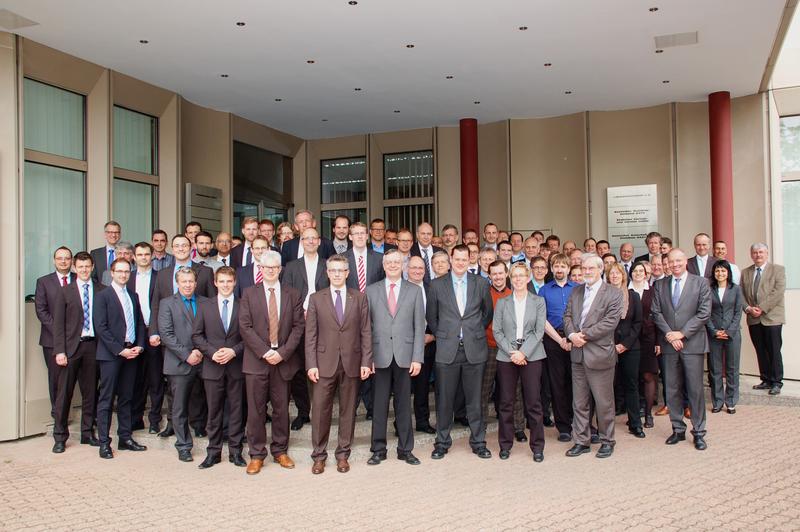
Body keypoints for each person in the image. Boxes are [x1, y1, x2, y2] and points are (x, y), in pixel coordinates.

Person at [305, 255, 373, 474]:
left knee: (348, 411)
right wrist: (311, 364)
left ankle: (343, 454)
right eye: (332, 270)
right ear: (327, 273)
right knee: (320, 411)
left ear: (347, 273)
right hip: (323, 363)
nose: (336, 274)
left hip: (352, 362)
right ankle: (319, 455)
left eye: (340, 270)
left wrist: (366, 360)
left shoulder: (359, 298)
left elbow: (366, 332)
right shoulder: (316, 298)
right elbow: (311, 335)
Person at [239, 251, 305, 474]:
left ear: (280, 269)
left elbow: (298, 327)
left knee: (281, 408)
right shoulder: (248, 294)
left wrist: (283, 353)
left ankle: (280, 450)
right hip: (257, 361)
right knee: (256, 410)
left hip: (283, 360)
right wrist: (265, 351)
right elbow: (245, 327)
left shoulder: (293, 294)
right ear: (260, 269)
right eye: (266, 267)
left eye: (274, 267)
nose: (270, 270)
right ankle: (256, 454)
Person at [427, 245, 494, 460]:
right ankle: (442, 442)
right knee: (444, 400)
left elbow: (487, 314)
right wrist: (445, 335)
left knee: (475, 400)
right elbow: (432, 317)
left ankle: (478, 442)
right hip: (447, 350)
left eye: (465, 259)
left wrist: (472, 332)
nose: (460, 262)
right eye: (457, 259)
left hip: (474, 349)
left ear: (469, 260)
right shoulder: (437, 285)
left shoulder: (481, 283)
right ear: (450, 259)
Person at [366, 249, 426, 466]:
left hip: (405, 356)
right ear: (383, 265)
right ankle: (378, 450)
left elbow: (420, 327)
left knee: (403, 405)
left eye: (396, 262)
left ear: (403, 265)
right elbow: (366, 328)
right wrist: (367, 358)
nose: (392, 265)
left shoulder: (414, 291)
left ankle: (405, 449)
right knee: (379, 405)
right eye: (389, 262)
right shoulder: (371, 291)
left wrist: (417, 358)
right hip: (379, 356)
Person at [563, 255, 623, 459]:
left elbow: (610, 322)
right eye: (584, 268)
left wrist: (583, 336)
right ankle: (582, 441)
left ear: (600, 270)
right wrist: (571, 335)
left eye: (590, 268)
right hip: (578, 356)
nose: (586, 272)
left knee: (604, 402)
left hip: (599, 356)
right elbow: (568, 316)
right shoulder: (576, 290)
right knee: (579, 403)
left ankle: (607, 441)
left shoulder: (613, 293)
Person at [651, 248, 712, 450]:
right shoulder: (660, 285)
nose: (675, 264)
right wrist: (670, 334)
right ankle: (677, 428)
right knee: (672, 388)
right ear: (667, 263)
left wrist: (682, 334)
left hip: (692, 344)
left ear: (685, 261)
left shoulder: (701, 283)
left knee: (695, 389)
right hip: (669, 345)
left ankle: (699, 431)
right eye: (671, 261)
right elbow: (656, 312)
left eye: (678, 260)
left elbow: (704, 313)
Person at [191, 266, 246, 469]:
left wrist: (233, 351)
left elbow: (248, 336)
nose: (225, 285)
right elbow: (196, 335)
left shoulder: (243, 305)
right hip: (212, 367)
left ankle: (235, 452)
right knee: (213, 412)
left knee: (236, 410)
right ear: (215, 283)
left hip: (236, 366)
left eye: (229, 281)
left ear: (234, 283)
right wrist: (212, 352)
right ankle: (213, 453)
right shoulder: (205, 306)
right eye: (221, 281)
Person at [93, 258, 147, 459]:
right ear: (112, 273)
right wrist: (119, 350)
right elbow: (101, 328)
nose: (124, 274)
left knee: (127, 397)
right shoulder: (103, 296)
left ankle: (125, 438)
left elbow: (140, 323)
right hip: (111, 355)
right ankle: (104, 443)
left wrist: (140, 345)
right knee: (107, 399)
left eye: (127, 271)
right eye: (120, 271)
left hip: (131, 353)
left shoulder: (133, 295)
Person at [493, 262, 547, 461]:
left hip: (532, 355)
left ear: (528, 277)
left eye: (521, 276)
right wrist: (512, 352)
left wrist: (523, 353)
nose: (517, 279)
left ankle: (538, 447)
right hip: (506, 356)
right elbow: (497, 331)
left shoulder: (538, 301)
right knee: (506, 402)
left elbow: (538, 331)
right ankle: (505, 445)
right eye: (514, 276)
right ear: (510, 278)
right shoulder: (502, 303)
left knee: (533, 403)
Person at [280, 227, 330, 430]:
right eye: (306, 238)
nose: (310, 241)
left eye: (313, 238)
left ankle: (322, 410)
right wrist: (301, 311)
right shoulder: (291, 266)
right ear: (301, 242)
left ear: (319, 241)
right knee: (299, 367)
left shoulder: (329, 265)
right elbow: (287, 293)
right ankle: (303, 412)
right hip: (298, 321)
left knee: (325, 366)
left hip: (326, 322)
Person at [50, 251, 99, 453]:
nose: (84, 270)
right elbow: (58, 324)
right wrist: (59, 351)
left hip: (93, 347)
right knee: (64, 394)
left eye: (87, 266)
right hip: (71, 348)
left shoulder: (101, 289)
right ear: (74, 268)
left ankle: (87, 433)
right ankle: (60, 437)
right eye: (80, 267)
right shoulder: (65, 291)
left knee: (90, 393)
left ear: (93, 267)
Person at [159, 267, 207, 462]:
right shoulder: (167, 303)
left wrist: (202, 352)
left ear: (196, 283)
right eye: (183, 281)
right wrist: (187, 355)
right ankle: (183, 445)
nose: (188, 285)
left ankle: (202, 429)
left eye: (191, 281)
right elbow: (166, 335)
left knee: (203, 400)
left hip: (204, 360)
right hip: (179, 362)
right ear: (177, 283)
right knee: (179, 407)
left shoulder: (205, 302)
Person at [344, 222, 385, 420]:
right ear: (350, 236)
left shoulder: (379, 259)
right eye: (356, 233)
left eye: (363, 233)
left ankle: (371, 406)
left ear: (367, 236)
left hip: (375, 314)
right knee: (352, 359)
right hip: (348, 316)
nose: (360, 236)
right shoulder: (341, 260)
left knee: (371, 358)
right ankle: (352, 403)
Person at [538, 253, 578, 442]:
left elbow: (585, 315)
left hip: (576, 340)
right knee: (557, 384)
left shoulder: (579, 289)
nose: (560, 269)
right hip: (553, 340)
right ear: (552, 269)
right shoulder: (544, 291)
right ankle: (563, 426)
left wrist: (571, 338)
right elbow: (542, 319)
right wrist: (560, 339)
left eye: (563, 266)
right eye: (556, 266)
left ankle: (580, 422)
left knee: (578, 384)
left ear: (569, 268)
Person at [35, 246, 76, 418]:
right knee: (56, 380)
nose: (63, 261)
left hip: (77, 339)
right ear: (54, 260)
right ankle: (58, 414)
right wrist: (60, 332)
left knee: (79, 379)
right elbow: (41, 311)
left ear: (72, 260)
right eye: (60, 258)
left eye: (67, 258)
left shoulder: (79, 279)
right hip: (51, 340)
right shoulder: (44, 281)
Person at [127, 242, 163, 434]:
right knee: (135, 380)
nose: (143, 257)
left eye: (146, 254)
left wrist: (157, 331)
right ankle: (136, 418)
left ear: (152, 256)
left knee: (155, 379)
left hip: (153, 333)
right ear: (134, 257)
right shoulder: (128, 278)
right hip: (133, 335)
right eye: (139, 254)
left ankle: (155, 420)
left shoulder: (160, 277)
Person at [741, 243, 786, 395]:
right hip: (753, 318)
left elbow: (778, 292)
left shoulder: (778, 270)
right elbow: (740, 294)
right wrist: (748, 308)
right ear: (751, 254)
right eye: (755, 252)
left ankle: (777, 381)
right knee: (760, 349)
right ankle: (766, 379)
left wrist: (762, 308)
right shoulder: (745, 272)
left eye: (761, 252)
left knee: (774, 350)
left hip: (772, 317)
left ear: (767, 254)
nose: (758, 255)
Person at [606, 263, 644, 438]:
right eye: (611, 273)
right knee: (608, 386)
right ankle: (606, 425)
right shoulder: (602, 297)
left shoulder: (633, 296)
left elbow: (638, 324)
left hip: (630, 347)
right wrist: (612, 344)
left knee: (631, 385)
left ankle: (635, 423)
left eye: (617, 273)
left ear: (623, 276)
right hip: (608, 347)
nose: (614, 276)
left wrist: (625, 344)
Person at [706, 260, 743, 414]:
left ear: (728, 273)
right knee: (714, 369)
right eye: (717, 271)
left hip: (732, 334)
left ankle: (731, 401)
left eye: (723, 271)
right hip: (714, 334)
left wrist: (729, 331)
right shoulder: (709, 289)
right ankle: (717, 401)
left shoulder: (736, 289)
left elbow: (738, 312)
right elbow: (705, 312)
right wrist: (714, 331)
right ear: (714, 273)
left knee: (732, 369)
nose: (720, 274)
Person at [407, 256, 437, 434]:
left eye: (421, 268)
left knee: (422, 386)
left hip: (427, 343)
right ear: (407, 269)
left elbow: (439, 313)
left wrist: (432, 335)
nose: (417, 271)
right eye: (413, 268)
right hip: (405, 345)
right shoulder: (400, 288)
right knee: (402, 388)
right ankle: (400, 423)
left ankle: (422, 421)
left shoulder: (431, 288)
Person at [629, 261, 658, 428]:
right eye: (635, 271)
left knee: (648, 375)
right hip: (630, 340)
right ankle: (633, 414)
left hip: (648, 338)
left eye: (641, 271)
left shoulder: (652, 291)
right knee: (632, 377)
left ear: (646, 274)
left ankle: (648, 414)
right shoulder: (626, 290)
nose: (638, 273)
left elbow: (660, 316)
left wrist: (659, 342)